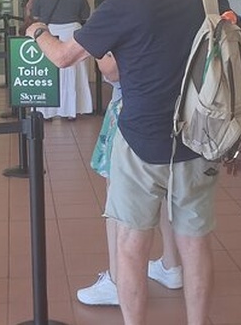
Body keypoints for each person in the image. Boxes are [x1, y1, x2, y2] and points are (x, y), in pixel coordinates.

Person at [26, 0, 232, 325]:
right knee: (195, 245)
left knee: (131, 245)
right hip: (200, 138)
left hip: (140, 142)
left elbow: (64, 57)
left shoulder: (124, 5)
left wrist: (37, 32)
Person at [76, 54, 184, 307]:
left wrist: (100, 50)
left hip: (134, 111)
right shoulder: (186, 23)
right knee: (165, 186)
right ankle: (171, 265)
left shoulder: (131, 22)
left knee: (118, 193)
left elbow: (112, 71)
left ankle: (117, 281)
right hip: (176, 109)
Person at [30, 0, 92, 120]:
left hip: (49, 34)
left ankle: (46, 112)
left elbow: (35, 16)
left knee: (48, 75)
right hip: (73, 34)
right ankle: (71, 110)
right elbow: (86, 16)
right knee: (73, 74)